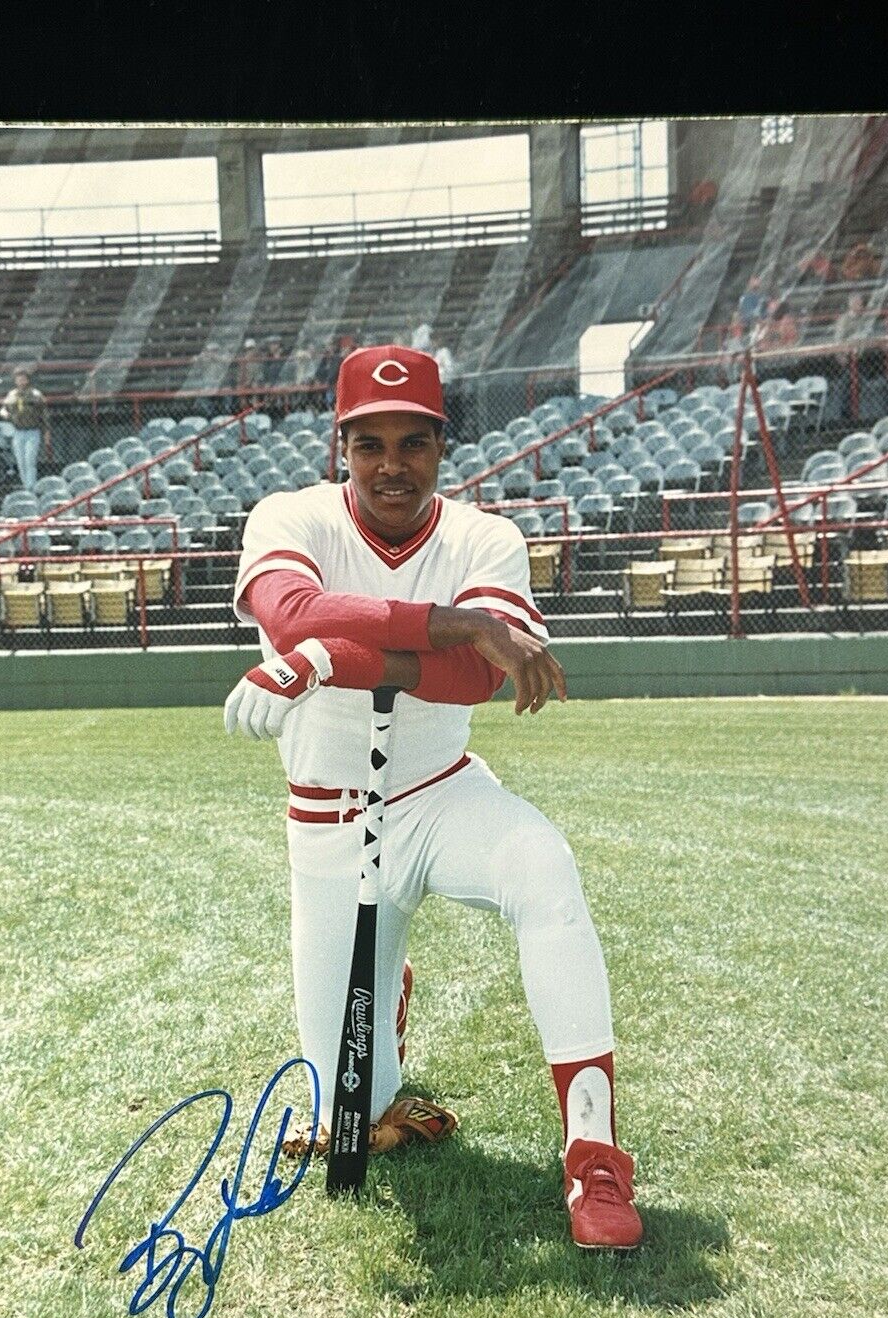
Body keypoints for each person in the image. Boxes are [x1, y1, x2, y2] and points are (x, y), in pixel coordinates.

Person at [222, 345, 643, 1250]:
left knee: (545, 868)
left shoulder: (484, 537)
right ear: (341, 445)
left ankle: (596, 1161)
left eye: (414, 443)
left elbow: (470, 683)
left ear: (443, 446)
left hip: (441, 795)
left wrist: (332, 658)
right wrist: (463, 625)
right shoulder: (288, 515)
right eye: (369, 444)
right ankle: (383, 995)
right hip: (329, 825)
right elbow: (293, 612)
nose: (391, 466)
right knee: (354, 1116)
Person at [0, 368, 48, 491]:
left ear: (27, 380)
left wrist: (46, 433)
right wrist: (4, 413)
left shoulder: (35, 395)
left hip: (32, 431)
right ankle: (26, 486)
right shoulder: (12, 394)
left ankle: (31, 487)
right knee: (20, 462)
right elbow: (4, 408)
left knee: (29, 461)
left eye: (23, 378)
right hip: (18, 431)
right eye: (18, 378)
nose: (21, 381)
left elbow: (44, 415)